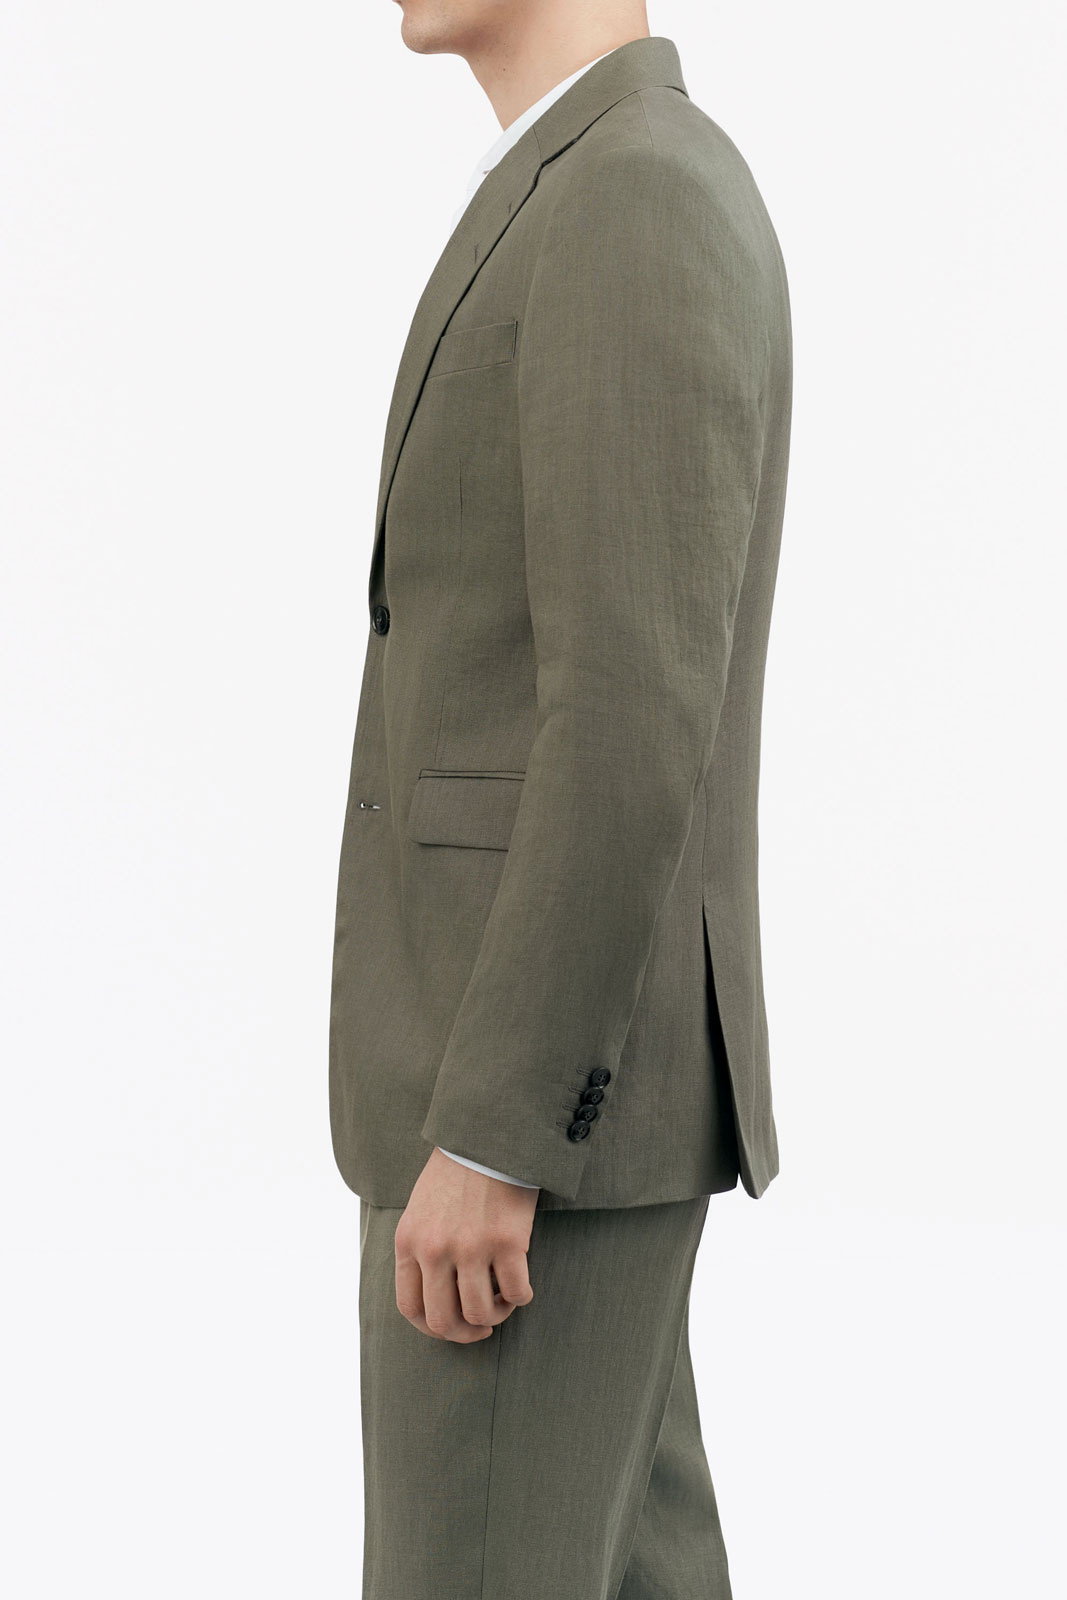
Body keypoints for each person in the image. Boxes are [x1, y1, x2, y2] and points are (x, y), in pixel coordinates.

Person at [329, 3, 791, 1594]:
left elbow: (631, 715)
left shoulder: (630, 194)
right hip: (555, 1108)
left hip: (527, 1122)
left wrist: (498, 1131)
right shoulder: (588, 180)